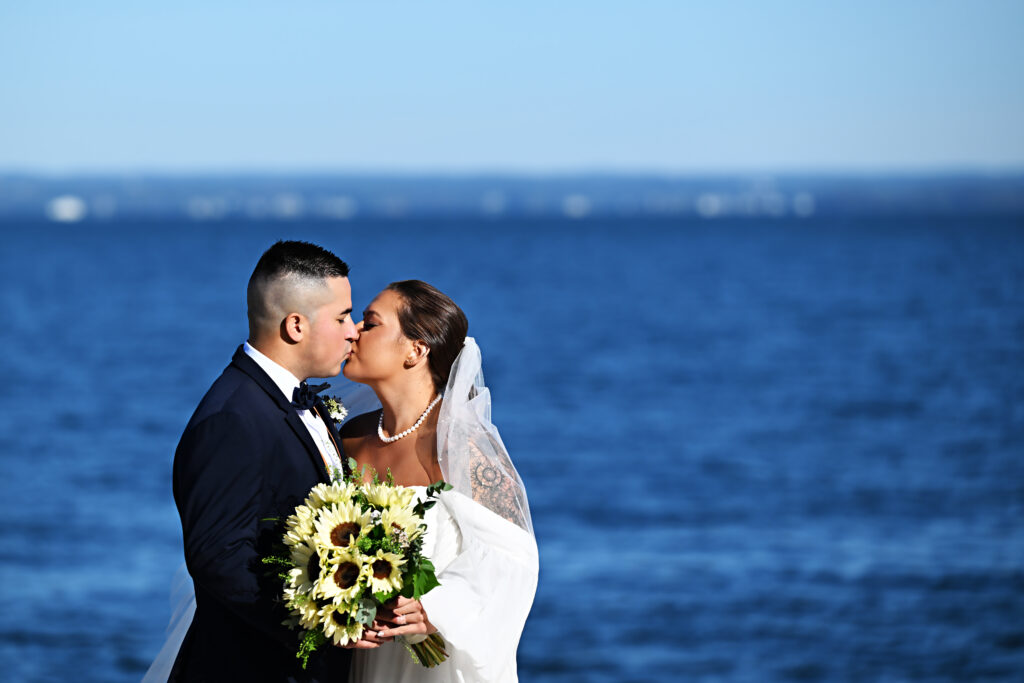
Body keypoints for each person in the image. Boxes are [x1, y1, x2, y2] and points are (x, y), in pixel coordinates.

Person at [154, 240, 361, 681]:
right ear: (296, 325)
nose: (353, 330)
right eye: (342, 316)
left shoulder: (297, 402)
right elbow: (219, 559)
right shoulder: (232, 418)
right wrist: (324, 622)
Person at [339, 280, 539, 683]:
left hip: (433, 666)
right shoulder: (348, 438)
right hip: (363, 660)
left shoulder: (459, 447)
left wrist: (435, 608)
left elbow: (514, 559)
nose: (354, 330)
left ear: (415, 350)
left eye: (371, 322)